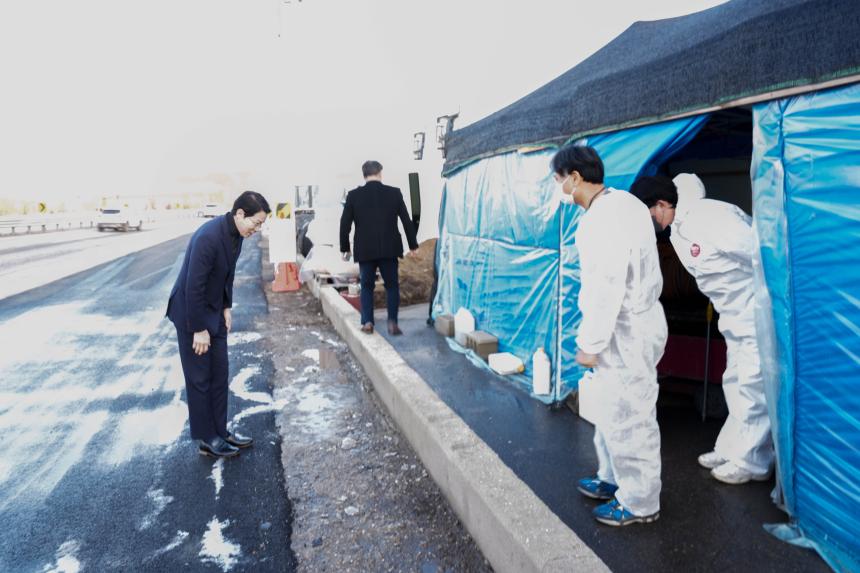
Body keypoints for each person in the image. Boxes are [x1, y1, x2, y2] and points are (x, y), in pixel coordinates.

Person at [630, 174, 774, 484]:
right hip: (732, 315)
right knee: (735, 380)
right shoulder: (678, 231)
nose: (649, 222)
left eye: (649, 213)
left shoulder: (709, 217)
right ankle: (733, 448)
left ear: (663, 203)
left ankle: (752, 462)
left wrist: (766, 305)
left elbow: (761, 254)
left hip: (754, 311)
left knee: (752, 384)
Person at [552, 145, 667, 526]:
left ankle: (640, 501)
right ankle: (612, 478)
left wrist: (591, 344)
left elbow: (606, 287)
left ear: (575, 177)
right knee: (610, 408)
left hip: (625, 329)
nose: (558, 187)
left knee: (630, 413)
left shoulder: (599, 221)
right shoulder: (625, 202)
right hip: (636, 321)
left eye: (558, 179)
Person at [166, 191, 271, 458]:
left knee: (220, 372)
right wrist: (199, 329)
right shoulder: (208, 237)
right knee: (200, 377)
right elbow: (193, 285)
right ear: (239, 214)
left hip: (213, 310)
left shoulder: (235, 235)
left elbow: (227, 274)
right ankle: (207, 438)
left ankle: (221, 431)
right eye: (256, 223)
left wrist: (226, 307)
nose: (257, 229)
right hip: (192, 313)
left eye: (260, 225)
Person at [339, 160, 419, 335]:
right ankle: (392, 322)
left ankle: (367, 322)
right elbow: (406, 221)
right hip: (389, 249)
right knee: (392, 286)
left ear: (364, 174)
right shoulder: (394, 193)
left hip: (365, 249)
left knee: (366, 286)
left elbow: (344, 224)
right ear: (380, 173)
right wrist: (413, 244)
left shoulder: (353, 196)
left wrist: (345, 247)